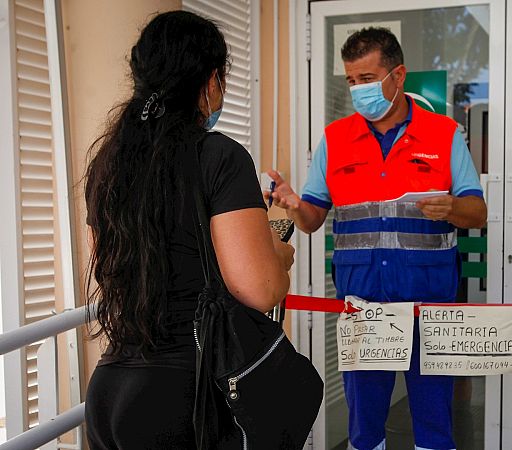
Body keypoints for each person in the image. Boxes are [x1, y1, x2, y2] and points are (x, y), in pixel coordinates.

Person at [83, 11, 295, 448]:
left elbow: (107, 266)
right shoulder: (219, 156)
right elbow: (259, 289)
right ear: (212, 80)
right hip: (188, 395)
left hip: (109, 390)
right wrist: (278, 252)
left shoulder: (109, 162)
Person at [269, 27, 487, 450]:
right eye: (351, 81)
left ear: (398, 75)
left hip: (431, 308)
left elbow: (477, 213)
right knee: (365, 429)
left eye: (367, 79)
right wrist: (293, 202)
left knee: (434, 425)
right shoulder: (335, 140)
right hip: (365, 309)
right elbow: (313, 220)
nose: (358, 90)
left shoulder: (444, 135)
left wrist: (451, 208)